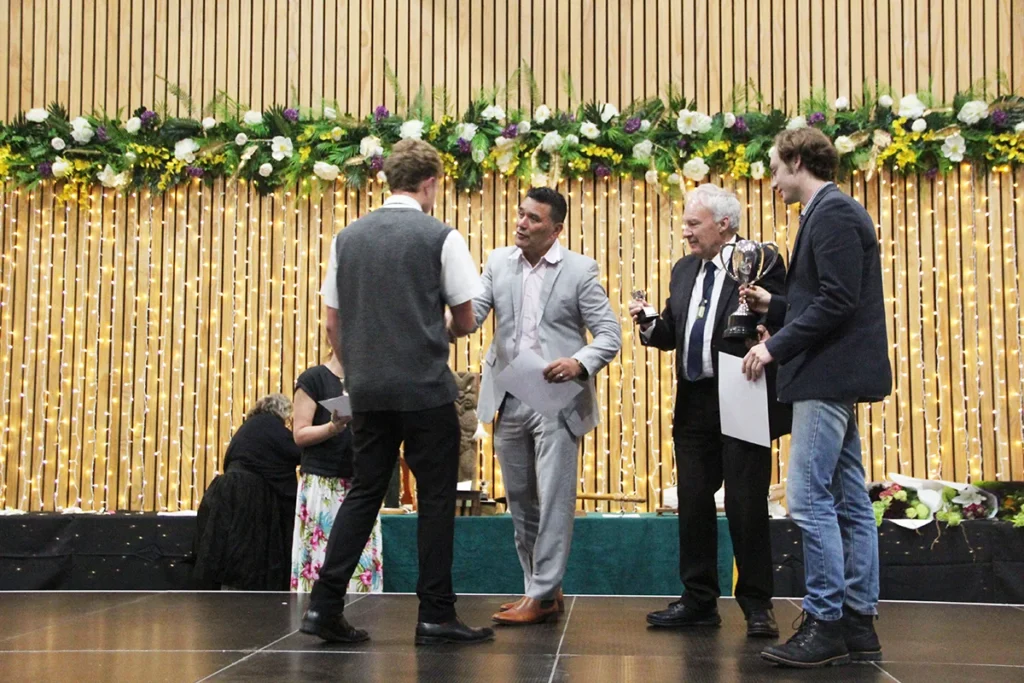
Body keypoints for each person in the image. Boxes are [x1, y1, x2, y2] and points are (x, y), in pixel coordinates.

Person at [301, 139, 493, 646]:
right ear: (429, 183)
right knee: (435, 498)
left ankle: (324, 605)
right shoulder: (440, 236)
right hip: (425, 389)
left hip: (367, 391)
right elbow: (467, 316)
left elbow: (332, 322)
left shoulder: (347, 238)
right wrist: (441, 328)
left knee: (365, 492)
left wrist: (361, 369)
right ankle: (435, 614)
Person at [741, 127, 892, 668]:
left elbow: (837, 301)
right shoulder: (827, 213)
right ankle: (857, 624)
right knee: (850, 502)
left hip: (825, 377)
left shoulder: (833, 214)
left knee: (806, 498)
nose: (773, 180)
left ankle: (826, 620)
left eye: (775, 168)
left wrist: (773, 346)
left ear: (798, 161)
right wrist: (775, 308)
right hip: (831, 375)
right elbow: (826, 299)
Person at [628, 183, 789, 639]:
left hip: (743, 391)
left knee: (745, 504)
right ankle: (698, 600)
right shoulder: (684, 270)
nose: (685, 231)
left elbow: (782, 317)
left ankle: (757, 605)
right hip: (694, 400)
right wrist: (649, 324)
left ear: (724, 224)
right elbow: (673, 332)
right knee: (694, 503)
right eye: (685, 223)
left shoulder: (760, 261)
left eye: (692, 223)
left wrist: (767, 333)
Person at [472, 186, 621, 625]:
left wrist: (579, 363)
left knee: (554, 500)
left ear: (556, 229)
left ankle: (539, 595)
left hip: (557, 401)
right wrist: (438, 318)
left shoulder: (579, 270)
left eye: (533, 218)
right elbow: (473, 313)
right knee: (521, 503)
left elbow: (609, 335)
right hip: (509, 396)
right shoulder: (497, 262)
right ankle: (541, 591)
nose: (521, 223)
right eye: (520, 214)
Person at [290, 352, 382, 593]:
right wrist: (332, 427)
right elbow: (299, 434)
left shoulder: (367, 380)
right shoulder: (314, 379)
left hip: (360, 483)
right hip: (323, 483)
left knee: (360, 564)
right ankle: (317, 607)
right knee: (321, 558)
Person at [193, 393, 302, 591]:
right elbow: (297, 452)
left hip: (227, 488)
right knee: (249, 550)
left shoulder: (248, 427)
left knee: (230, 546)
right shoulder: (273, 427)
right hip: (251, 491)